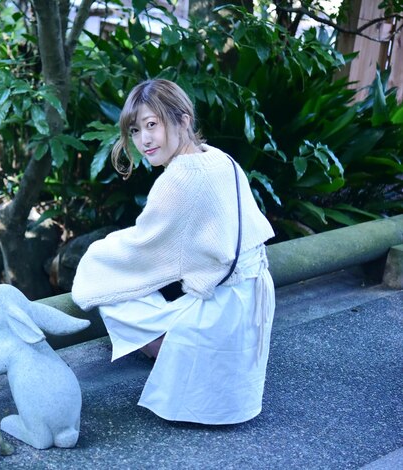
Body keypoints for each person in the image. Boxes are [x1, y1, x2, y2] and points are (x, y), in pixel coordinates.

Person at [71, 79, 276, 425]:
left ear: (183, 120)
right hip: (253, 296)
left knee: (109, 291)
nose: (143, 140)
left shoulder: (179, 177)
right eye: (135, 130)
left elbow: (143, 246)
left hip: (224, 308)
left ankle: (176, 355)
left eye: (153, 125)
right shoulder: (219, 158)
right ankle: (184, 354)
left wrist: (93, 255)